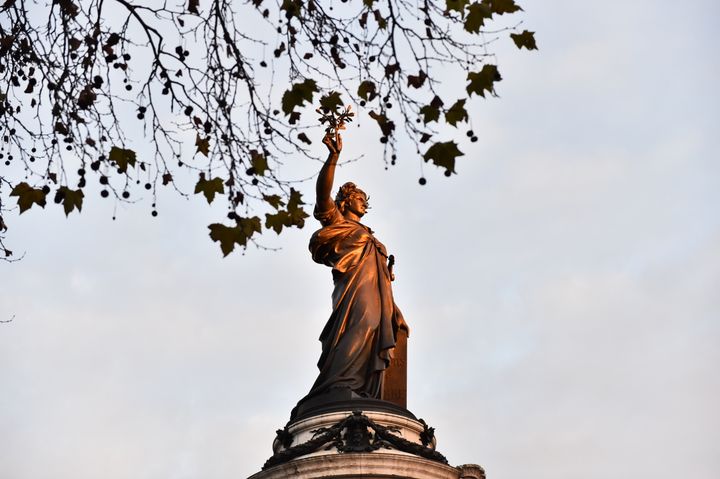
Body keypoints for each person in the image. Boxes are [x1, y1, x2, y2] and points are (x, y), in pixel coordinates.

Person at [294, 132, 408, 414]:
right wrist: (333, 158)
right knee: (361, 326)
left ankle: (363, 389)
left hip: (378, 291)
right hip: (353, 289)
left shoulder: (368, 233)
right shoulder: (337, 221)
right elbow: (322, 196)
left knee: (374, 330)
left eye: (364, 199)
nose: (363, 202)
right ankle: (340, 384)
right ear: (344, 201)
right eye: (357, 197)